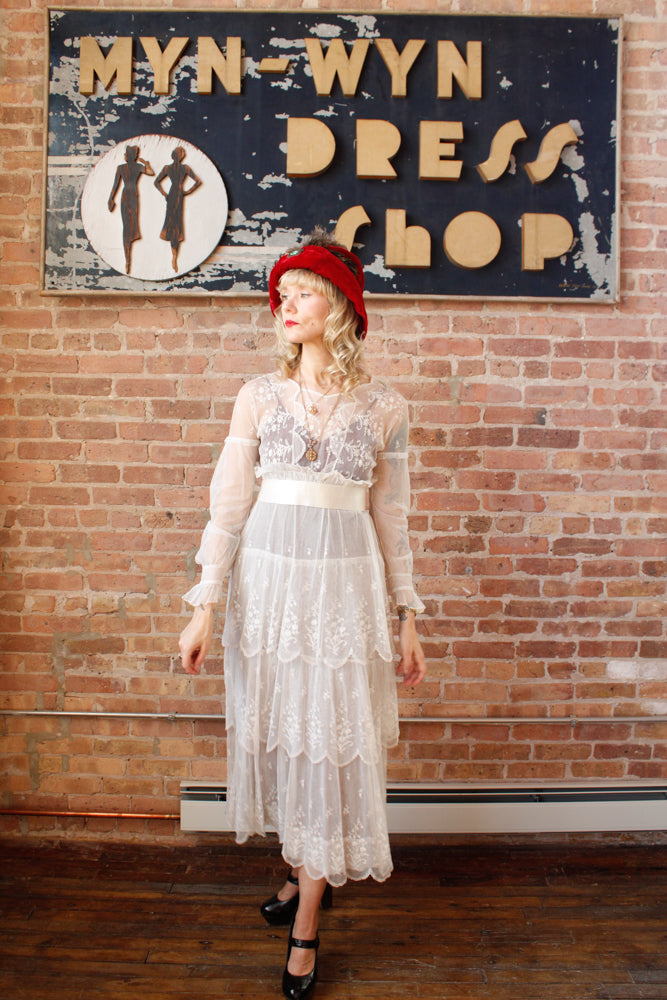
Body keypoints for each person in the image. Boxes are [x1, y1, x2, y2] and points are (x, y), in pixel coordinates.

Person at [178, 231, 426, 1000]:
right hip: (268, 588)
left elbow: (392, 517)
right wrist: (204, 605)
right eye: (281, 296)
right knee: (285, 730)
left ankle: (307, 925)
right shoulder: (257, 396)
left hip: (343, 592)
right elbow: (228, 506)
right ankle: (299, 867)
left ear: (341, 306)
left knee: (330, 743)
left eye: (303, 292)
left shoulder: (386, 407)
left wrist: (408, 614)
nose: (286, 305)